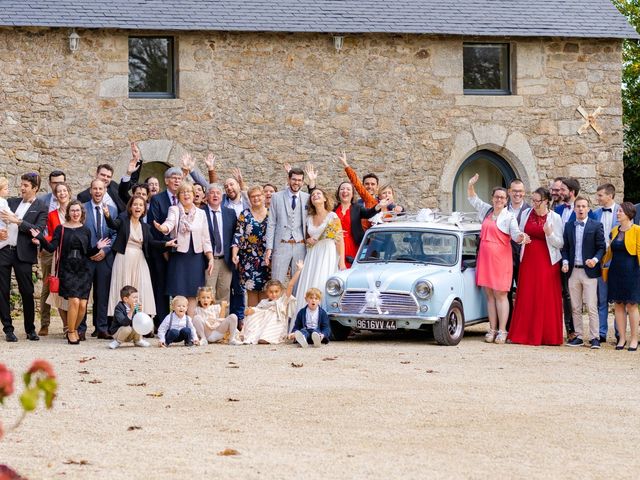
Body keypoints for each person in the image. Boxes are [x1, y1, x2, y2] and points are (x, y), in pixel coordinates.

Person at [31, 200, 110, 344]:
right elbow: (51, 248)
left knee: (83, 305)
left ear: (82, 213)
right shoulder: (60, 229)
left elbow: (87, 252)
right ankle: (72, 332)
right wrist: (41, 237)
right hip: (67, 269)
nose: (75, 213)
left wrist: (98, 247)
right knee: (74, 300)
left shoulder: (86, 230)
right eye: (72, 210)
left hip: (83, 269)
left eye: (78, 210)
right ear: (68, 213)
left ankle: (72, 328)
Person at [467, 174, 526, 344]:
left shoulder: (509, 217)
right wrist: (470, 184)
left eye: (502, 197)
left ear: (506, 199)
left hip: (501, 260)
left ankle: (502, 330)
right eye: (496, 197)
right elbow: (473, 199)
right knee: (490, 295)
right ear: (492, 198)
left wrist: (522, 237)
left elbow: (515, 234)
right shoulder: (486, 210)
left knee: (501, 294)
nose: (499, 199)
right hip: (485, 259)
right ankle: (491, 329)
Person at [508, 187, 564, 346]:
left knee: (544, 296)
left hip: (547, 262)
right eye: (532, 200)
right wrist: (521, 237)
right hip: (528, 261)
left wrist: (549, 234)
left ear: (546, 201)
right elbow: (518, 232)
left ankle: (546, 336)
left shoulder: (555, 218)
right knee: (527, 295)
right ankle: (522, 334)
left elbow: (560, 243)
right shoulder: (526, 214)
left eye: (537, 201)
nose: (533, 203)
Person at [105, 196, 175, 321]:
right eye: (135, 204)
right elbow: (113, 225)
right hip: (123, 258)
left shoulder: (146, 227)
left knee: (142, 286)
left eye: (141, 205)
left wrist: (166, 244)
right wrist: (107, 216)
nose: (138, 207)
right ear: (130, 207)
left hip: (139, 259)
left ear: (144, 210)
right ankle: (120, 320)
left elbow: (152, 242)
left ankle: (140, 320)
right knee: (124, 286)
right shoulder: (123, 220)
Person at [0, 172, 48, 342]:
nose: (22, 188)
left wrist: (18, 221)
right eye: (21, 184)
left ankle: (30, 329)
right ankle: (8, 329)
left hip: (24, 252)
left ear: (35, 188)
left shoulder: (41, 206)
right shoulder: (10, 201)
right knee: (2, 290)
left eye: (26, 185)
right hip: (4, 250)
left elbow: (38, 229)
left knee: (27, 291)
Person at [153, 182, 214, 316]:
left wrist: (210, 258)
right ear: (178, 196)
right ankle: (178, 324)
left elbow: (206, 238)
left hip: (196, 257)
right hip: (179, 256)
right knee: (179, 292)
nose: (186, 194)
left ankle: (190, 326)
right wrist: (162, 228)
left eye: (189, 192)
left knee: (193, 293)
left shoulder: (201, 213)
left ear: (193, 195)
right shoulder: (174, 209)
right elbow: (170, 223)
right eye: (182, 192)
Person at [561, 197, 606, 349]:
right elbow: (565, 248)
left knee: (592, 306)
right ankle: (579, 336)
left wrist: (595, 259)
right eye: (578, 206)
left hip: (590, 272)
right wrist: (565, 262)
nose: (580, 209)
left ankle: (595, 337)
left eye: (583, 206)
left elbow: (602, 247)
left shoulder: (596, 225)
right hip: (573, 271)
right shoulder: (568, 226)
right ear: (574, 209)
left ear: (588, 209)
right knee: (575, 306)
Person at [295, 188, 346, 312]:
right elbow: (306, 237)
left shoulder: (332, 216)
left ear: (324, 198)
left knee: (323, 281)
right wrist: (308, 240)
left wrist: (342, 262)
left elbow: (339, 240)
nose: (315, 195)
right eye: (313, 194)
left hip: (327, 253)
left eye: (319, 193)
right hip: (313, 254)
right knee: (310, 281)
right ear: (311, 201)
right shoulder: (308, 218)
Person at [147, 166, 184, 327]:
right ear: (166, 181)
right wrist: (164, 247)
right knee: (161, 288)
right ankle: (162, 323)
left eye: (179, 178)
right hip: (161, 252)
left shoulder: (184, 198)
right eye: (174, 178)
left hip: (182, 252)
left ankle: (179, 322)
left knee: (178, 286)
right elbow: (153, 226)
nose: (177, 181)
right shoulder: (157, 199)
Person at [82, 179, 117, 340]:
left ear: (105, 191)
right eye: (95, 188)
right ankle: (80, 328)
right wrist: (91, 251)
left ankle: (101, 328)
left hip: (105, 258)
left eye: (100, 189)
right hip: (87, 258)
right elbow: (80, 232)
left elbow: (115, 233)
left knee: (102, 295)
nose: (97, 191)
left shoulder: (112, 210)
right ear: (90, 190)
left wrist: (105, 250)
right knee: (84, 294)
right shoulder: (83, 209)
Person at [602, 202, 640, 351]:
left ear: (629, 214)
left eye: (620, 211)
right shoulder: (614, 230)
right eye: (617, 211)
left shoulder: (637, 230)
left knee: (632, 305)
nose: (617, 214)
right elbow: (609, 252)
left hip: (632, 272)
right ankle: (622, 338)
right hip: (616, 271)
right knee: (618, 305)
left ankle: (634, 339)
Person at [265, 167, 309, 283]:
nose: (296, 183)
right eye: (294, 179)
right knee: (277, 281)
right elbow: (271, 223)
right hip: (281, 244)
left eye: (299, 180)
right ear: (289, 179)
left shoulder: (307, 198)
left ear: (303, 182)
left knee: (298, 282)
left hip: (300, 245)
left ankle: (296, 302)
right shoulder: (276, 197)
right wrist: (269, 247)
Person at [241, 261, 303, 345]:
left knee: (271, 315)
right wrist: (251, 310)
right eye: (271, 292)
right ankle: (255, 335)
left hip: (276, 325)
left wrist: (299, 270)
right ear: (267, 292)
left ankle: (266, 337)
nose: (273, 294)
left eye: (276, 291)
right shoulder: (264, 302)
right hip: (264, 324)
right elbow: (258, 310)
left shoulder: (282, 300)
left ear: (280, 291)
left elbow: (290, 285)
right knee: (254, 312)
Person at [37, 170, 66, 336]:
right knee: (48, 286)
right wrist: (41, 242)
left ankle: (66, 324)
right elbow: (42, 227)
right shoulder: (43, 201)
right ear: (50, 184)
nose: (57, 186)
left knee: (66, 285)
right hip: (48, 250)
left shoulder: (71, 203)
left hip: (66, 251)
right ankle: (44, 323)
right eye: (54, 183)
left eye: (60, 182)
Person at [42, 182, 72, 334]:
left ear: (69, 192)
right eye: (58, 191)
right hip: (58, 255)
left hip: (74, 256)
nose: (62, 193)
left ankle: (75, 325)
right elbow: (50, 235)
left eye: (64, 190)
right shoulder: (52, 215)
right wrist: (41, 240)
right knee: (58, 290)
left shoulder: (77, 210)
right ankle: (66, 325)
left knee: (73, 291)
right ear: (55, 195)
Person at [232, 186, 270, 306]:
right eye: (252, 196)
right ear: (248, 199)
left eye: (258, 195)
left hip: (267, 259)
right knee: (252, 293)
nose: (256, 198)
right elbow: (238, 235)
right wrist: (234, 254)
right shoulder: (245, 214)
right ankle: (253, 323)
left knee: (265, 293)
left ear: (263, 196)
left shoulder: (271, 213)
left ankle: (263, 324)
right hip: (248, 259)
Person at [593, 183, 620, 342]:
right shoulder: (595, 214)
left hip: (617, 261)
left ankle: (619, 332)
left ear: (610, 196)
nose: (598, 198)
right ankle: (602, 332)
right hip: (600, 260)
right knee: (601, 299)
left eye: (600, 195)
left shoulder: (622, 212)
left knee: (618, 299)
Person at [203, 183, 237, 305]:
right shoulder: (200, 212)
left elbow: (235, 235)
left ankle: (222, 321)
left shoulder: (230, 213)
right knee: (208, 293)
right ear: (206, 196)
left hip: (226, 260)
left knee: (224, 293)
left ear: (222, 197)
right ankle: (209, 322)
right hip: (208, 261)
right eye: (212, 193)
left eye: (218, 193)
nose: (215, 195)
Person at [334, 181, 381, 267]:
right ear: (338, 193)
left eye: (348, 189)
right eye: (342, 189)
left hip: (353, 244)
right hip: (335, 245)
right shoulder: (333, 209)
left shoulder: (357, 208)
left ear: (352, 194)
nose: (345, 191)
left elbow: (368, 213)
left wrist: (378, 206)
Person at [505, 179, 531, 330]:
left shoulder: (529, 210)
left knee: (523, 292)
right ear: (509, 192)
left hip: (524, 259)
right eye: (514, 191)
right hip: (506, 258)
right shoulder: (503, 210)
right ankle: (508, 326)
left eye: (520, 191)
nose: (517, 194)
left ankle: (523, 325)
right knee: (506, 292)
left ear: (524, 193)